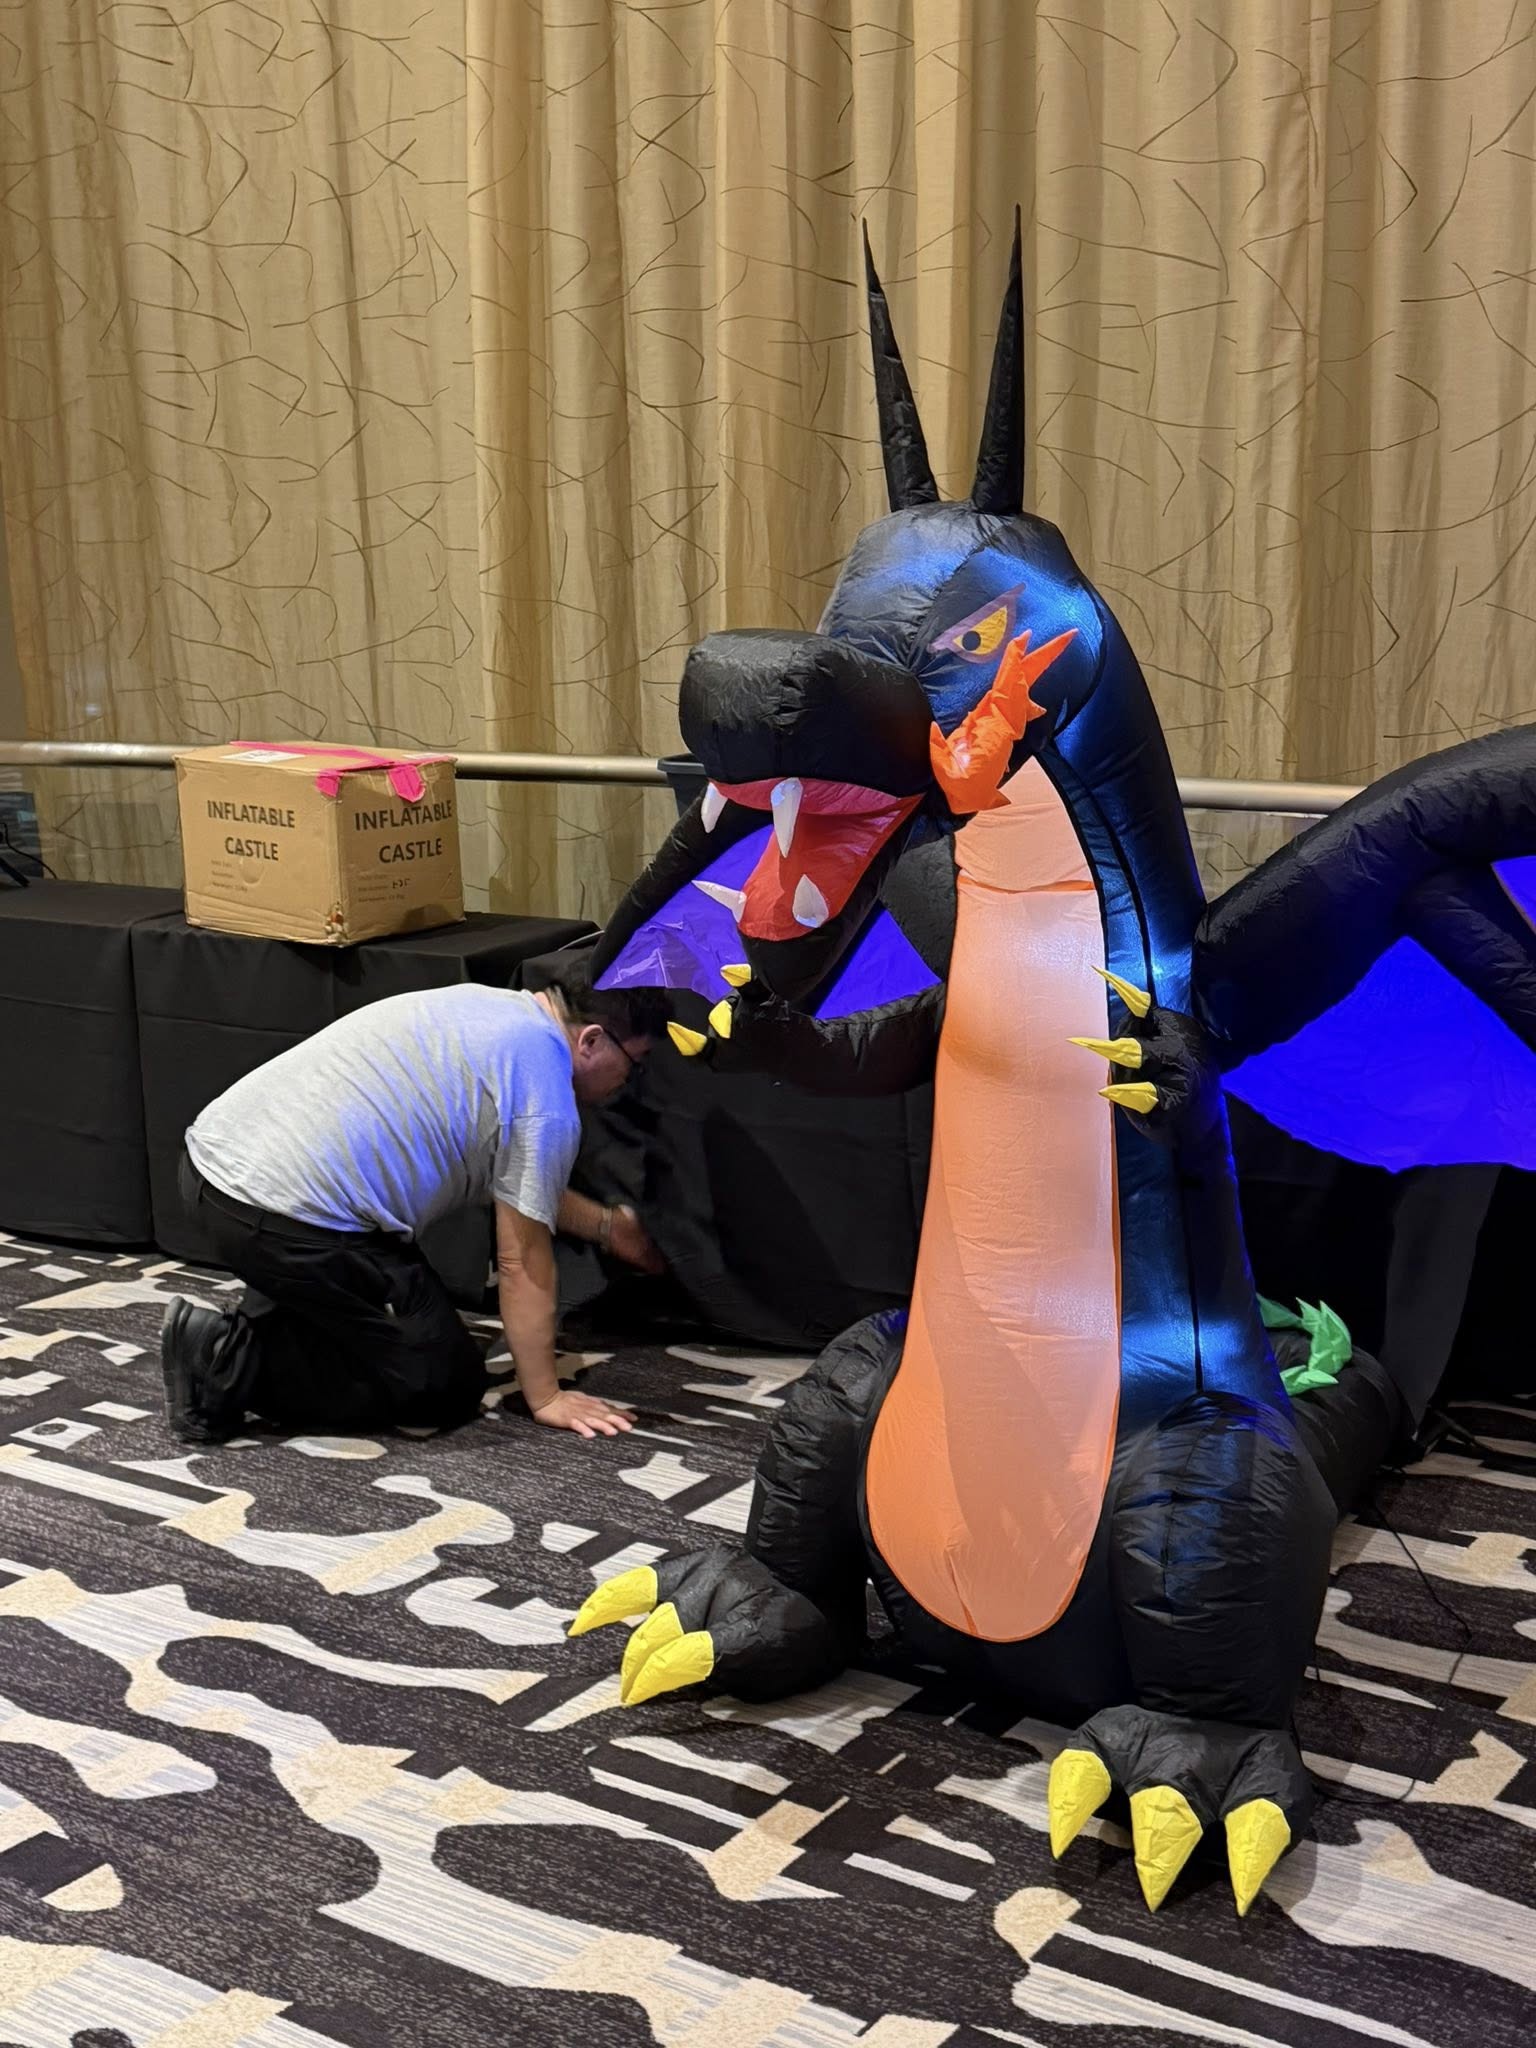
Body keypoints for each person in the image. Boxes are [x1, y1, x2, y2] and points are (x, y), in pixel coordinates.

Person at [158, 957, 669, 1443]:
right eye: (636, 1062)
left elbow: (515, 1181)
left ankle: (282, 1312)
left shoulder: (489, 1007)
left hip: (210, 1171)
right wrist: (547, 1397)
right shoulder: (545, 1096)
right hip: (288, 1219)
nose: (630, 1080)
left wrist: (605, 1227)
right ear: (591, 1041)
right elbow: (521, 1261)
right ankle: (228, 1361)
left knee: (390, 1313)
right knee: (443, 1386)